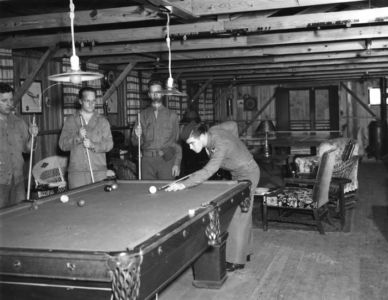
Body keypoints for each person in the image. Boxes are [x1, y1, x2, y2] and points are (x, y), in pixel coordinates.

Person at [166, 121, 260, 272]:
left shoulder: (220, 144)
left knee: (239, 213)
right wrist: (236, 147)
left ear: (201, 135)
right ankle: (245, 253)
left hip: (248, 173)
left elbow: (209, 170)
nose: (190, 147)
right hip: (238, 173)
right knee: (244, 212)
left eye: (191, 143)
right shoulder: (213, 131)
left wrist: (184, 184)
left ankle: (236, 261)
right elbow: (233, 125)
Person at [59, 87, 113, 189]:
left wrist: (93, 145)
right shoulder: (71, 120)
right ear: (80, 101)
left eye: (93, 101)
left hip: (98, 171)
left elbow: (109, 144)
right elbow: (62, 145)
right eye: (87, 101)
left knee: (99, 203)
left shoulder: (103, 121)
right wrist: (78, 137)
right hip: (77, 173)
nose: (91, 104)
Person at [132, 80, 181, 180]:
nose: (155, 95)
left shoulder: (172, 116)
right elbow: (135, 142)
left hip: (166, 160)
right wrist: (137, 136)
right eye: (153, 92)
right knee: (146, 193)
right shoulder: (141, 116)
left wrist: (177, 163)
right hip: (147, 162)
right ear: (149, 94)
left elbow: (176, 143)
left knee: (167, 192)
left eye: (158, 92)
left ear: (162, 93)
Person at [0, 82, 38, 208]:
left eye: (11, 99)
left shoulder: (19, 122)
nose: (9, 104)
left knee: (20, 217)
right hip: (1, 182)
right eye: (4, 100)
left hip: (18, 180)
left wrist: (33, 136)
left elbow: (28, 149)